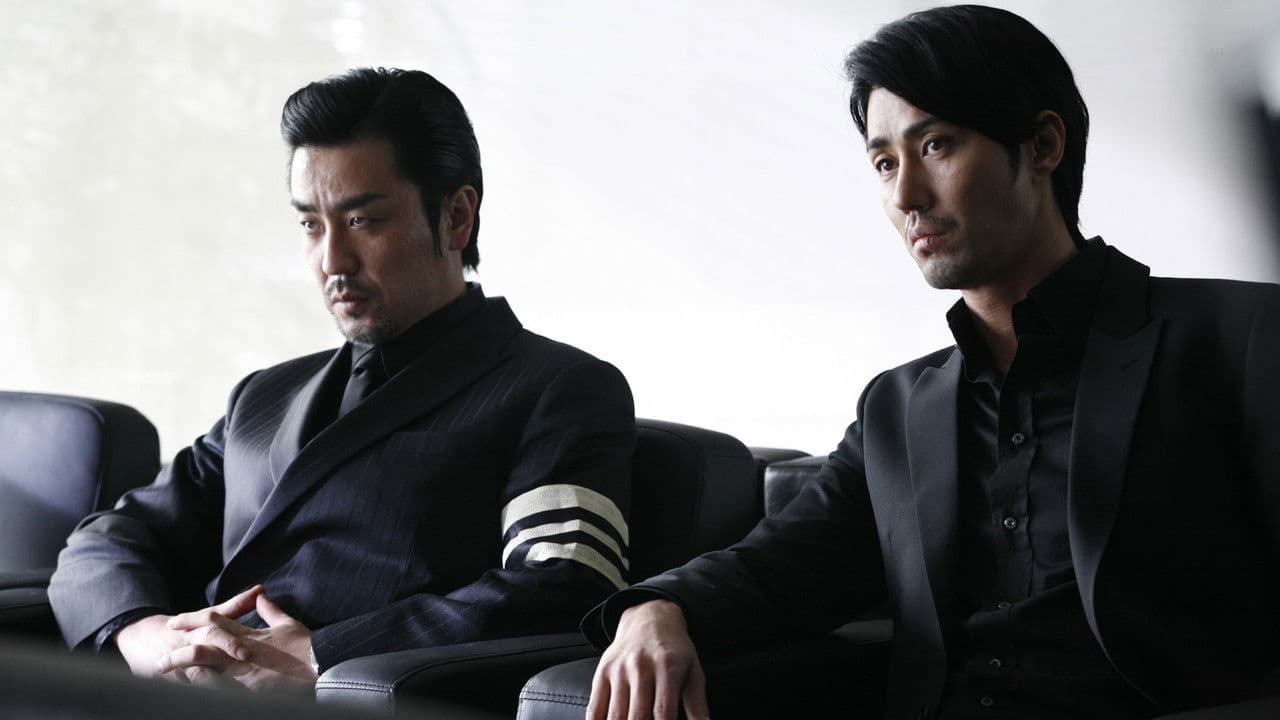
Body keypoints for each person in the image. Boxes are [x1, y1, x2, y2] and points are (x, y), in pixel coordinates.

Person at [584, 6, 1280, 720]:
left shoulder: (1242, 341)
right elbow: (780, 568)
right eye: (885, 163)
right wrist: (656, 609)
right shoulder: (898, 409)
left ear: (1043, 146)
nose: (904, 196)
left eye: (936, 145)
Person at [48, 67, 635, 691]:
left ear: (457, 217)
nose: (332, 260)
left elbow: (565, 585)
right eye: (311, 224)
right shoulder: (263, 397)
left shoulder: (556, 387)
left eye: (362, 222)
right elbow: (108, 539)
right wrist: (149, 639)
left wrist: (322, 656)